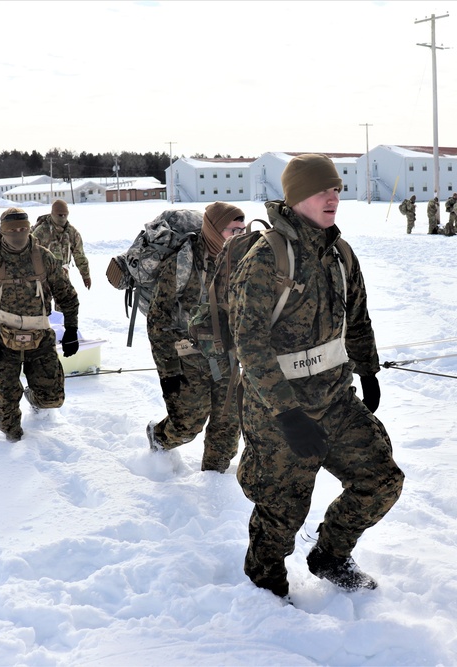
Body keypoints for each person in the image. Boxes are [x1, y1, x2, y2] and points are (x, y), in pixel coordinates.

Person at [228, 154, 404, 599]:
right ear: (295, 197)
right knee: (281, 508)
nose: (333, 197)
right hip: (277, 408)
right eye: (321, 190)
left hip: (334, 398)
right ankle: (264, 585)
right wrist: (287, 414)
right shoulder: (266, 259)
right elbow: (250, 344)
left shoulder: (340, 253)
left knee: (381, 479)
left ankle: (329, 555)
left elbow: (358, 317)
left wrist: (367, 368)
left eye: (337, 189)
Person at [0, 207, 81, 442]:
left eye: (23, 229)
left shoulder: (44, 257)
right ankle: (6, 431)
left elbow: (67, 295)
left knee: (52, 399)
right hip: (4, 341)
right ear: (2, 232)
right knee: (9, 417)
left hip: (41, 337)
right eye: (12, 230)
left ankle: (33, 397)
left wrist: (71, 330)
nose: (18, 233)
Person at [146, 201, 245, 472]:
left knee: (227, 426)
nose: (239, 236)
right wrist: (168, 372)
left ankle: (213, 482)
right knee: (186, 426)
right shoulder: (183, 262)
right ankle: (158, 439)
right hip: (186, 353)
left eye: (242, 230)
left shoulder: (243, 260)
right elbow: (158, 318)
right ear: (214, 230)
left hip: (226, 353)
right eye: (232, 231)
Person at [31, 199, 92, 290]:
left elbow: (79, 255)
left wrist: (85, 275)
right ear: (53, 214)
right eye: (60, 215)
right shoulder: (41, 232)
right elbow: (29, 253)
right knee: (42, 303)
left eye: (65, 215)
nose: (62, 217)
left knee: (66, 302)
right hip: (43, 276)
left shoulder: (72, 233)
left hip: (63, 275)